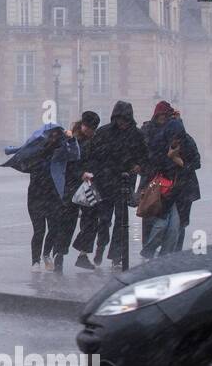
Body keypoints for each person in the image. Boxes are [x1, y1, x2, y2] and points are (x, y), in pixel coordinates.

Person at [75, 100, 147, 269]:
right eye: (119, 119)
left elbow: (144, 156)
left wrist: (139, 166)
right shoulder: (104, 133)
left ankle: (116, 256)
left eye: (125, 120)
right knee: (104, 220)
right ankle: (100, 247)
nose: (122, 123)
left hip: (123, 182)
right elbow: (90, 155)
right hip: (104, 182)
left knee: (121, 223)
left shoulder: (136, 135)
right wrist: (90, 173)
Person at [4, 123, 79, 272]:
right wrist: (13, 151)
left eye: (56, 135)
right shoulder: (36, 150)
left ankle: (46, 254)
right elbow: (23, 153)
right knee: (39, 230)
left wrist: (71, 140)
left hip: (53, 195)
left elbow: (75, 154)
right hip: (36, 194)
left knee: (53, 228)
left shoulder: (62, 150)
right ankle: (35, 261)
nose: (53, 138)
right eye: (50, 135)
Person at [51, 112, 99, 273]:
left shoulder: (92, 141)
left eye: (93, 128)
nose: (90, 130)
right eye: (89, 127)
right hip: (72, 186)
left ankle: (82, 253)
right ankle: (60, 255)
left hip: (87, 185)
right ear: (83, 125)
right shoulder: (72, 141)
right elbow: (69, 165)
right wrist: (81, 174)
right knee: (68, 223)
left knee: (91, 220)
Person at [140, 101, 188, 259]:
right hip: (158, 184)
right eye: (159, 116)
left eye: (164, 116)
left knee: (173, 226)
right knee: (160, 223)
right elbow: (149, 160)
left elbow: (192, 161)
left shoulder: (179, 136)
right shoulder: (151, 133)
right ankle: (152, 252)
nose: (162, 119)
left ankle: (163, 255)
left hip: (175, 186)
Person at [167, 110, 202, 253]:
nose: (175, 140)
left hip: (185, 188)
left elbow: (197, 163)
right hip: (169, 187)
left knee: (180, 223)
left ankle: (175, 251)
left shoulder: (188, 142)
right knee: (167, 222)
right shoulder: (163, 141)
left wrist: (179, 161)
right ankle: (169, 250)